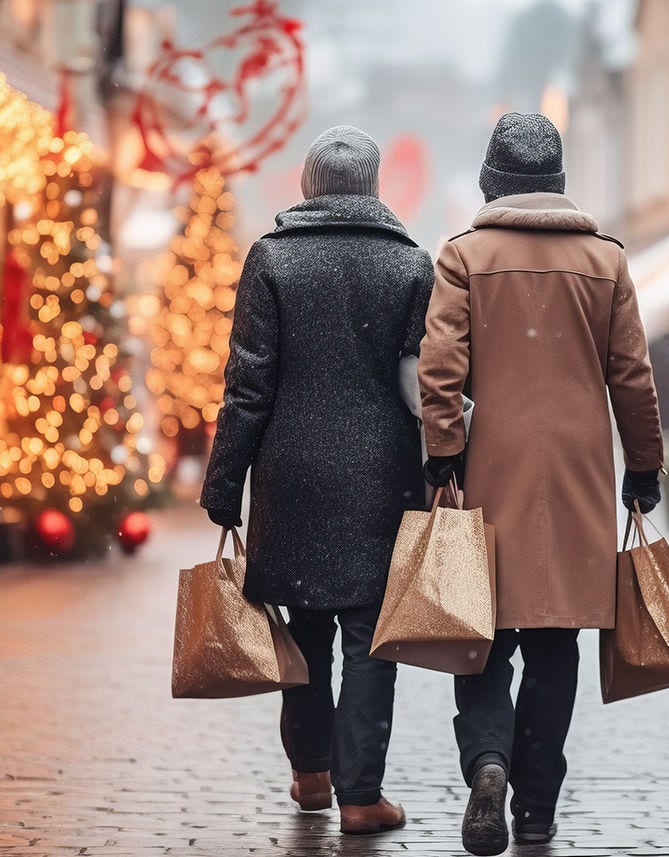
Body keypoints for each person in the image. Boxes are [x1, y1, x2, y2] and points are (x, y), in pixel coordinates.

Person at [418, 112, 664, 856]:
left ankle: (488, 761)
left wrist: (443, 453)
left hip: (492, 466)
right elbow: (632, 376)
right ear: (559, 182)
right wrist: (645, 463)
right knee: (556, 645)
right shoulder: (606, 261)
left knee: (482, 638)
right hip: (579, 474)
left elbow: (440, 372)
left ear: (492, 180)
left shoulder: (463, 256)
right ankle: (535, 804)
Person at [200, 126, 433, 836]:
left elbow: (249, 383)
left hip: (290, 474)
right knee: (370, 638)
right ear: (372, 187)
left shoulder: (271, 259)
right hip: (380, 475)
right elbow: (421, 383)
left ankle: (310, 773)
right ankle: (362, 795)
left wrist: (224, 481)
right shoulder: (410, 264)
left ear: (307, 185)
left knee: (303, 633)